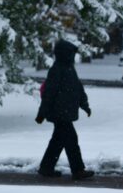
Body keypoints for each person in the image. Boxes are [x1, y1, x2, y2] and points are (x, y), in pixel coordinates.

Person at [35, 39, 95, 180]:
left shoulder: (69, 68)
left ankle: (46, 167)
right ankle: (78, 170)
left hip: (65, 112)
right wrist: (41, 114)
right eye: (71, 53)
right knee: (71, 140)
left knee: (58, 140)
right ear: (64, 54)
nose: (73, 56)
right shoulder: (57, 69)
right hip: (59, 113)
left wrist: (85, 105)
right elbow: (49, 93)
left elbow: (77, 88)